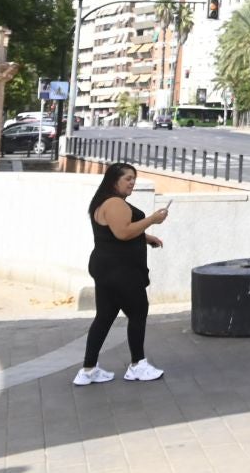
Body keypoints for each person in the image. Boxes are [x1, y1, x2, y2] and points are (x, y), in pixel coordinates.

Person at [74, 161, 168, 385]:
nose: (132, 183)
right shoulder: (115, 203)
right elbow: (123, 233)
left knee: (105, 317)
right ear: (114, 180)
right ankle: (138, 365)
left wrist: (146, 238)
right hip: (121, 271)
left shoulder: (104, 202)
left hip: (107, 268)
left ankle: (88, 370)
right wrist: (152, 220)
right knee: (138, 313)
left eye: (134, 179)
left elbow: (114, 232)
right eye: (128, 179)